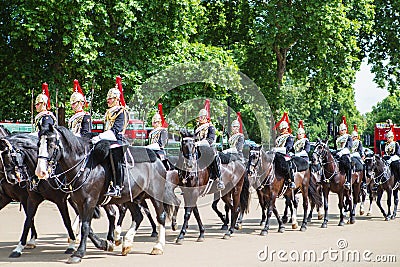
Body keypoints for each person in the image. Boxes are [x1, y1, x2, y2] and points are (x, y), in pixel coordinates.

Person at [92, 76, 129, 198]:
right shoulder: (108, 112)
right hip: (107, 140)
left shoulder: (121, 111)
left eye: (111, 98)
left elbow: (115, 130)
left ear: (117, 99)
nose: (108, 100)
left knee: (114, 155)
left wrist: (99, 137)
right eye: (108, 98)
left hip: (118, 140)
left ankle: (117, 186)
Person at [194, 101, 224, 191]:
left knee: (215, 155)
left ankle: (220, 179)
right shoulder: (196, 128)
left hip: (208, 148)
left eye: (202, 117)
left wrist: (198, 143)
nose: (200, 118)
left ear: (206, 118)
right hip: (197, 149)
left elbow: (210, 140)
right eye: (199, 117)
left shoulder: (211, 127)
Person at [273, 112, 295, 189]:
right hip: (276, 154)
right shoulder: (278, 137)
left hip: (286, 154)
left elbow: (288, 148)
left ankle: (291, 180)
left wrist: (276, 149)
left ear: (286, 128)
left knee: (288, 164)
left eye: (283, 128)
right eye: (281, 129)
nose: (282, 130)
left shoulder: (290, 137)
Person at [147, 104, 169, 170]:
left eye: (156, 122)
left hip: (159, 151)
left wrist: (149, 147)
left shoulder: (163, 131)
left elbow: (161, 144)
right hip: (150, 150)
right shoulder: (151, 132)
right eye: (154, 122)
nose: (155, 124)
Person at [335, 116, 353, 190]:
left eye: (342, 130)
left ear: (345, 130)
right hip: (337, 153)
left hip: (345, 153)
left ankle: (348, 181)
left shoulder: (348, 137)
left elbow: (349, 147)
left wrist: (341, 152)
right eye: (340, 130)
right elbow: (335, 147)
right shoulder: (337, 138)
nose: (341, 131)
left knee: (347, 164)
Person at [350, 125, 367, 189]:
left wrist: (362, 155)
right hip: (350, 154)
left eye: (356, 136)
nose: (355, 137)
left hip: (357, 155)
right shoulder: (349, 142)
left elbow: (360, 149)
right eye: (354, 136)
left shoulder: (359, 142)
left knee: (364, 165)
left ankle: (364, 181)